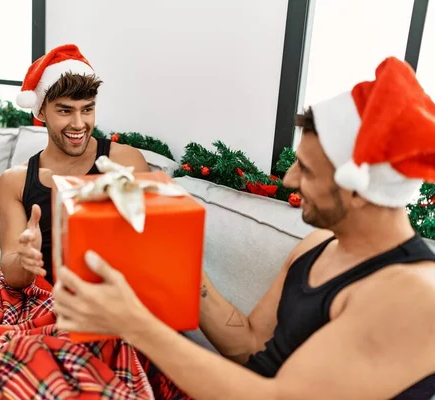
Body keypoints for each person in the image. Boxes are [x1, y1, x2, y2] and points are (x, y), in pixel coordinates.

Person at [52, 56, 435, 399]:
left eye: (307, 169)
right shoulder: (318, 245)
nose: (289, 180)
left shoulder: (414, 295)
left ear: (358, 190)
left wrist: (135, 325)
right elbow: (249, 345)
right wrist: (171, 261)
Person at [0, 44, 149, 289]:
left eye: (87, 109)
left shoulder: (126, 162)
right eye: (65, 111)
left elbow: (150, 248)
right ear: (42, 112)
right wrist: (26, 258)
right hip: (46, 303)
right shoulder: (15, 181)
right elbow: (14, 277)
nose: (79, 124)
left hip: (115, 302)